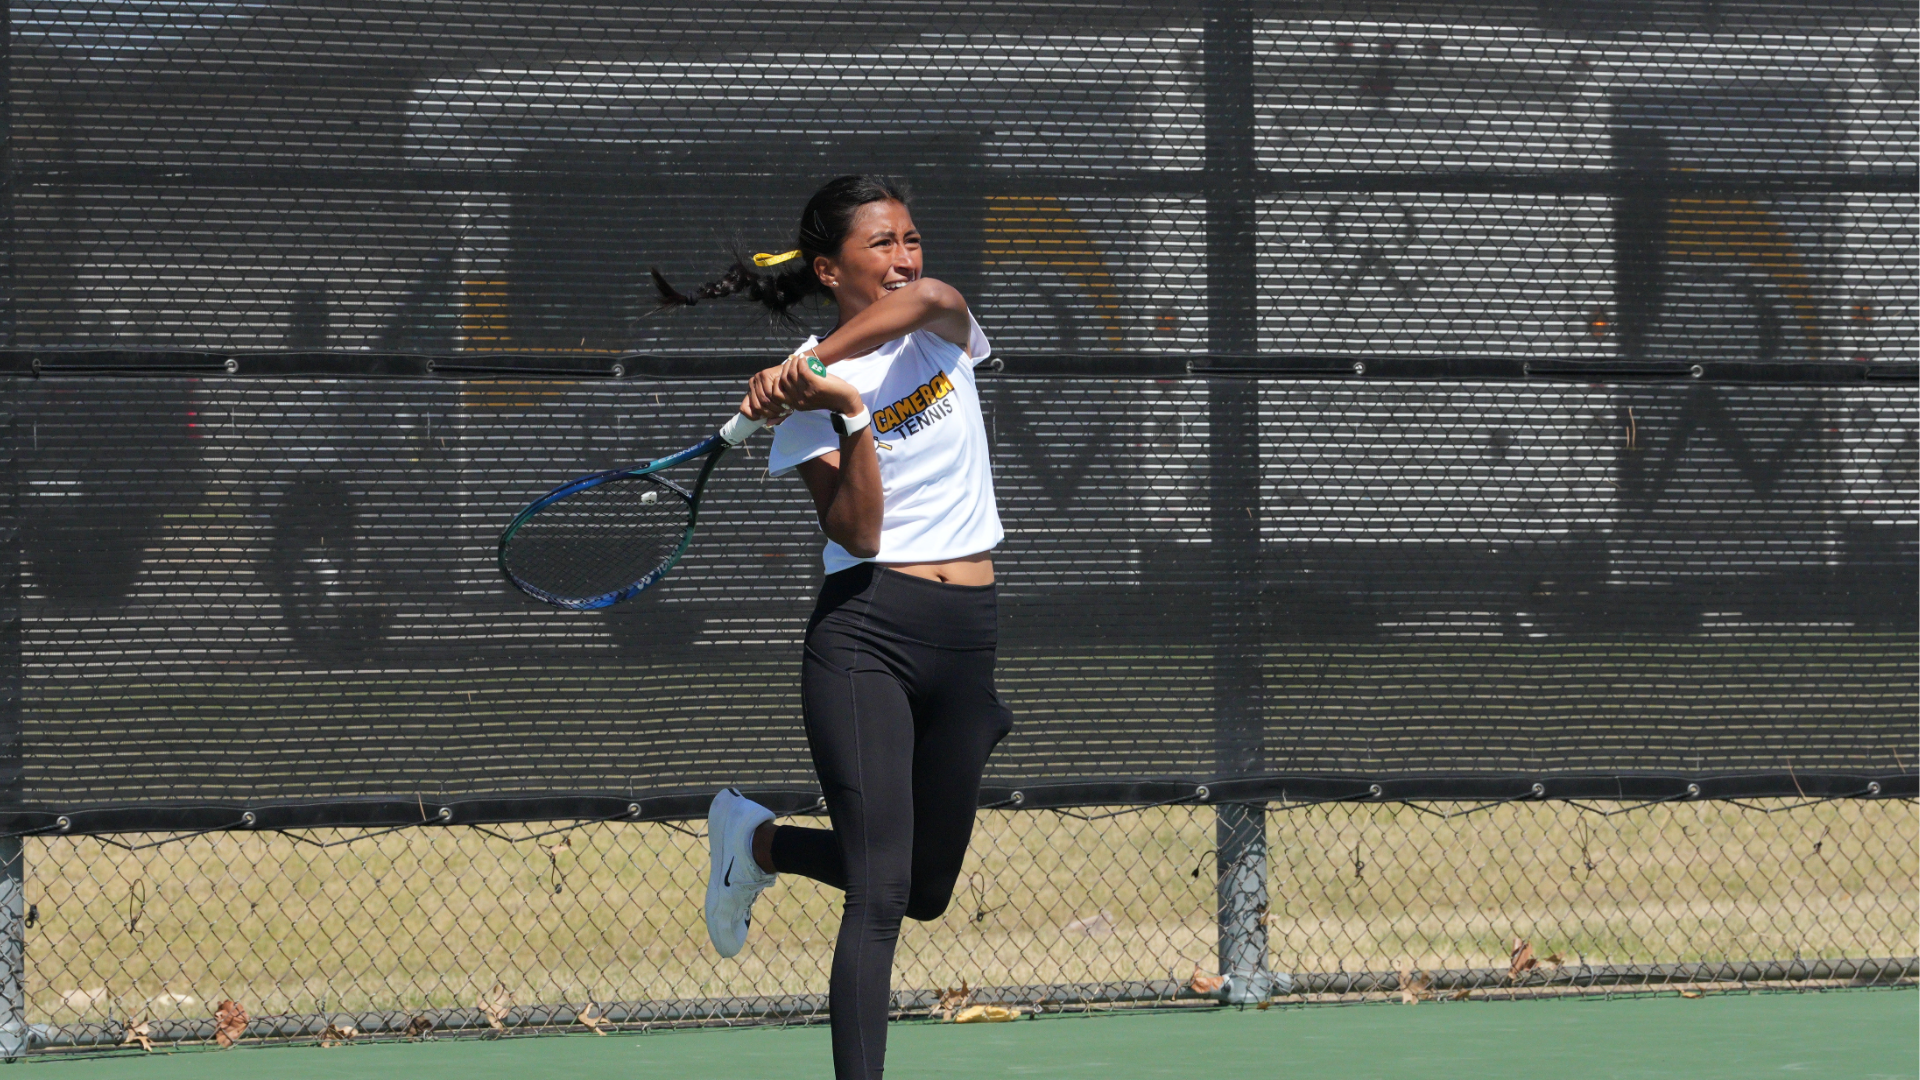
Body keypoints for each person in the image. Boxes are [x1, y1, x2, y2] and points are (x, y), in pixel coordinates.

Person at [652, 174, 1014, 1080]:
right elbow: (859, 534)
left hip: (968, 634)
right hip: (868, 638)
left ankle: (754, 842)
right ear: (828, 265)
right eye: (881, 244)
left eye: (910, 238)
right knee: (882, 892)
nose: (905, 259)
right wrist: (843, 408)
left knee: (925, 890)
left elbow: (932, 296)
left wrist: (808, 371)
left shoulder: (938, 324)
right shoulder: (809, 406)